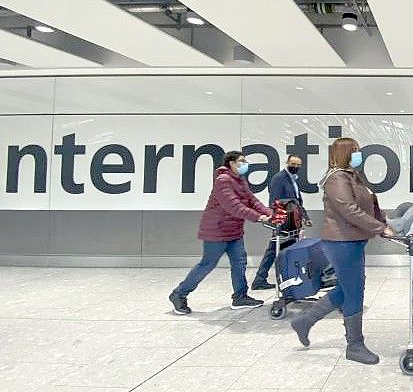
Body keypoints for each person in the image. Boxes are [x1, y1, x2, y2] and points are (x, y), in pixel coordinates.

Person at [290, 137, 394, 365]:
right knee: (354, 291)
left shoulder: (352, 176)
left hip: (353, 240)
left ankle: (305, 321)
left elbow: (369, 203)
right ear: (345, 153)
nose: (359, 154)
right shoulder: (336, 178)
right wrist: (380, 228)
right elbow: (349, 210)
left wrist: (385, 221)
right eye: (355, 150)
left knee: (347, 288)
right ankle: (354, 345)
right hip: (341, 242)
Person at [169, 151, 273, 315]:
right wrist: (258, 217)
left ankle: (240, 296)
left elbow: (252, 200)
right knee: (207, 264)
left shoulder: (240, 180)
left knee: (240, 262)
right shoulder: (223, 181)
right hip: (216, 231)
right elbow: (233, 206)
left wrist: (269, 213)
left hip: (234, 231)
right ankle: (179, 294)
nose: (245, 164)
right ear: (231, 163)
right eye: (242, 161)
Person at [251, 154, 312, 290]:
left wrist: (304, 217)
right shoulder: (279, 179)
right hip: (284, 221)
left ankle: (261, 279)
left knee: (276, 250)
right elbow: (275, 201)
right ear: (287, 163)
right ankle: (274, 279)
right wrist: (278, 221)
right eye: (293, 164)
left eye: (298, 165)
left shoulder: (293, 179)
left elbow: (296, 201)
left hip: (292, 220)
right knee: (277, 249)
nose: (295, 167)